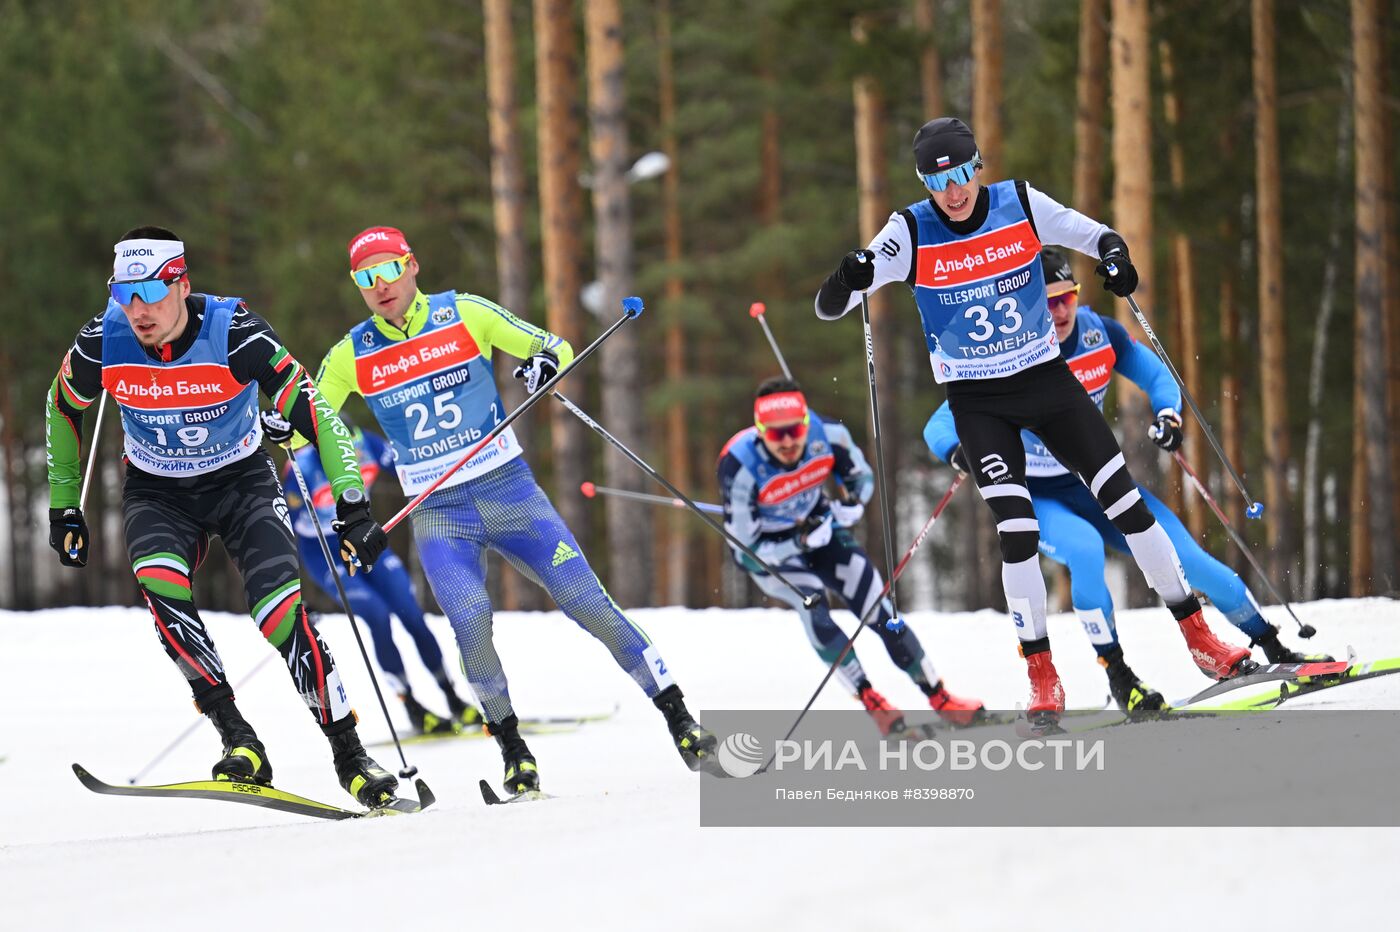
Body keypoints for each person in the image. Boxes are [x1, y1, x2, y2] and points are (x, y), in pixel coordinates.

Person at [814, 117, 1254, 728]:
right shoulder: (910, 230)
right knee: (1016, 531)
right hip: (978, 402)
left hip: (1047, 383)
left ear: (977, 168)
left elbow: (1098, 236)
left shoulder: (1018, 203)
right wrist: (848, 277)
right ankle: (1042, 676)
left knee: (1126, 504)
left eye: (962, 174)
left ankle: (1200, 635)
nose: (954, 191)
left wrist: (1118, 260)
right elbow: (832, 305)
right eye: (938, 180)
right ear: (924, 182)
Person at [282, 225, 716, 795]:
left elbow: (553, 346)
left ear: (412, 266)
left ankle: (680, 719)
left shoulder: (463, 312)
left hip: (508, 489)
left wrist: (544, 365)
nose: (379, 285)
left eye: (388, 269)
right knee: (470, 621)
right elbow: (310, 424)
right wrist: (282, 428)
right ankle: (514, 751)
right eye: (365, 277)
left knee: (588, 602)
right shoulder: (350, 355)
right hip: (437, 512)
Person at [46, 227, 399, 807]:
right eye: (123, 294)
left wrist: (352, 503)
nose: (138, 311)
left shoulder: (234, 333)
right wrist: (65, 503)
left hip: (241, 484)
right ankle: (240, 740)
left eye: (151, 293)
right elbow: (62, 406)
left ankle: (351, 755)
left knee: (279, 613)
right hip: (157, 491)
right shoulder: (102, 340)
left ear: (181, 283)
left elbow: (315, 412)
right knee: (164, 597)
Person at [924, 248, 1327, 711]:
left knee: (1188, 560)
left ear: (1077, 296)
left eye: (1065, 299)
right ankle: (1120, 676)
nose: (1057, 312)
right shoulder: (1006, 352)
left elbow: (1155, 373)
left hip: (1095, 482)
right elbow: (941, 421)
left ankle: (1272, 647)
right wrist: (957, 451)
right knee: (1084, 550)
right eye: (1044, 300)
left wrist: (1168, 413)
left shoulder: (1099, 333)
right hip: (1041, 495)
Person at [719, 378, 985, 733]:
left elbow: (862, 479)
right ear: (759, 430)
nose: (788, 442)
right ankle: (872, 701)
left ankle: (940, 697)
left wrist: (850, 507)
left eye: (795, 430)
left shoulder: (826, 435)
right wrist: (799, 540)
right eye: (776, 434)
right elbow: (744, 550)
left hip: (824, 531)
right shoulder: (739, 465)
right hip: (771, 555)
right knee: (813, 603)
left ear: (806, 421)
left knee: (878, 607)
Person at [273, 415, 483, 734]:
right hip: (324, 551)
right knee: (377, 614)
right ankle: (411, 705)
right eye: (343, 452)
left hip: (362, 538)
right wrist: (294, 595)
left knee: (411, 613)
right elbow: (280, 529)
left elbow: (406, 466)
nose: (353, 457)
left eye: (354, 448)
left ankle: (453, 698)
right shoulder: (302, 468)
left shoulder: (365, 442)